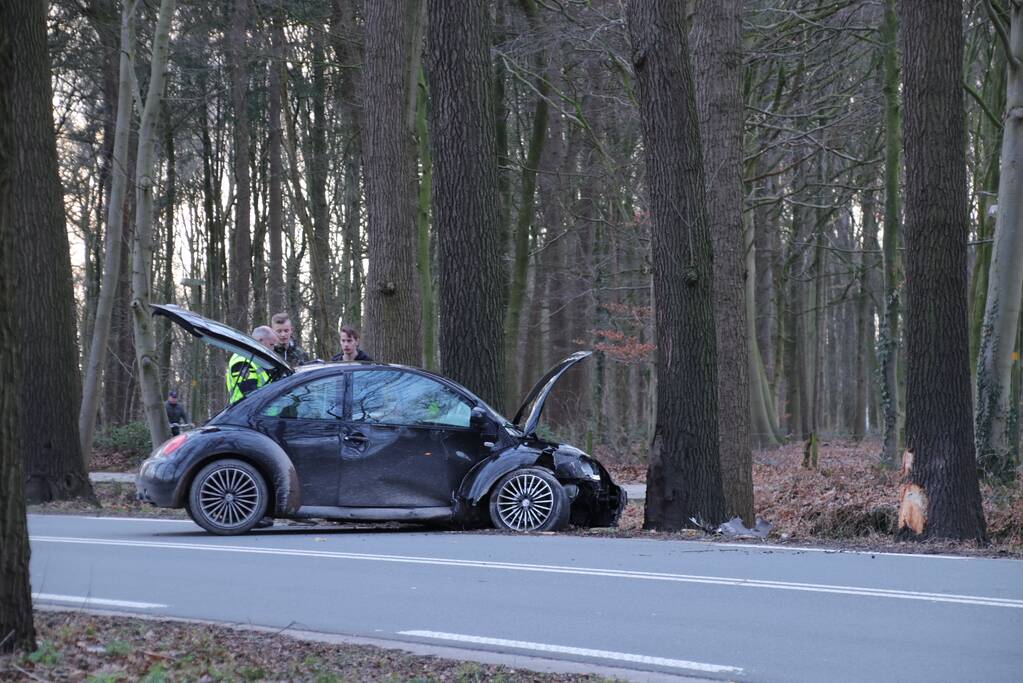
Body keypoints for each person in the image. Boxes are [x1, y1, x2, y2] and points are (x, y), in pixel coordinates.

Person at [226, 326, 277, 404]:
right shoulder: (242, 360)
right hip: (245, 412)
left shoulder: (255, 359)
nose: (273, 349)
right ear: (260, 341)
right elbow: (250, 396)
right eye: (271, 344)